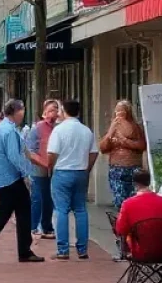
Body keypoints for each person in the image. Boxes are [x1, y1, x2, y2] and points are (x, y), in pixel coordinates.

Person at [0, 99, 42, 265]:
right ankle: (18, 250)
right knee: (17, 211)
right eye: (22, 110)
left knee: (7, 213)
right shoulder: (9, 131)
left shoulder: (4, 128)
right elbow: (14, 156)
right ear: (17, 112)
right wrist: (26, 173)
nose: (23, 114)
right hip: (11, 178)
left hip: (4, 177)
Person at [47, 100, 99, 260]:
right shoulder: (86, 131)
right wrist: (87, 168)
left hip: (62, 172)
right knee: (80, 210)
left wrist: (51, 168)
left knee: (61, 210)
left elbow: (52, 153)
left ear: (63, 111)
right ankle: (82, 249)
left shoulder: (58, 130)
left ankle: (63, 249)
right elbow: (94, 152)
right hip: (80, 172)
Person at [113, 169, 162, 262]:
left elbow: (120, 230)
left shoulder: (128, 204)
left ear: (135, 184)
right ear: (149, 182)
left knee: (128, 233)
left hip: (139, 253)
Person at [98, 100, 147, 211]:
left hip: (133, 166)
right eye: (117, 111)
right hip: (116, 167)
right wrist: (110, 132)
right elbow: (102, 147)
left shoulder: (135, 127)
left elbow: (141, 145)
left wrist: (124, 140)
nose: (119, 113)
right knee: (120, 199)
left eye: (122, 110)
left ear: (128, 112)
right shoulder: (113, 126)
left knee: (135, 198)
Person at [25, 100, 59, 238]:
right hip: (39, 168)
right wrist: (43, 163)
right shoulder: (37, 128)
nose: (54, 112)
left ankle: (47, 227)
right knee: (37, 197)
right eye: (51, 110)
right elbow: (30, 150)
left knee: (49, 198)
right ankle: (33, 226)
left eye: (56, 109)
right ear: (45, 112)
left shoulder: (60, 128)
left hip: (55, 169)